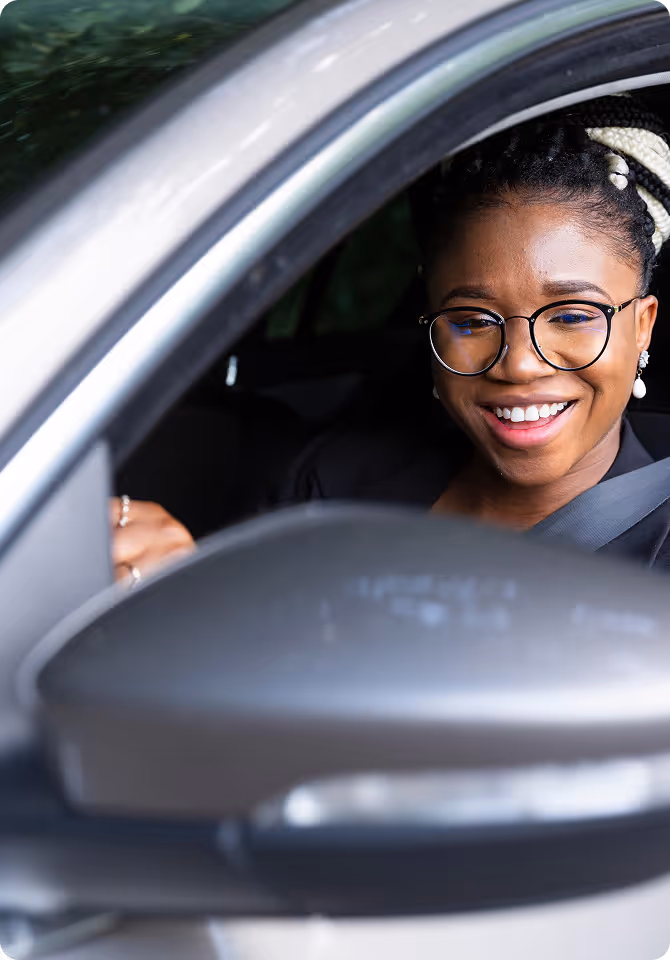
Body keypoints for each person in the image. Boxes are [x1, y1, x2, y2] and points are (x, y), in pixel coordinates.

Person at [111, 94, 670, 580]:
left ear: (643, 325)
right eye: (473, 321)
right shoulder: (330, 484)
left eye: (572, 316)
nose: (520, 365)